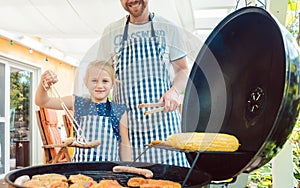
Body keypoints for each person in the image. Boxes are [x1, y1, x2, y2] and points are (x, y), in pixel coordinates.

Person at [97, 0, 190, 167]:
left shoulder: (168, 28)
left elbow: (183, 70)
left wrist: (175, 92)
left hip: (164, 128)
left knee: (172, 179)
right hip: (126, 132)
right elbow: (102, 75)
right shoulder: (111, 31)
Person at [35, 60, 132, 162]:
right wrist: (43, 84)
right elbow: (42, 101)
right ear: (86, 83)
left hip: (108, 171)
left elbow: (124, 144)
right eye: (94, 80)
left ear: (112, 84)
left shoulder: (119, 110)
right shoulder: (77, 103)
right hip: (80, 170)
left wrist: (126, 167)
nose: (99, 85)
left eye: (105, 81)